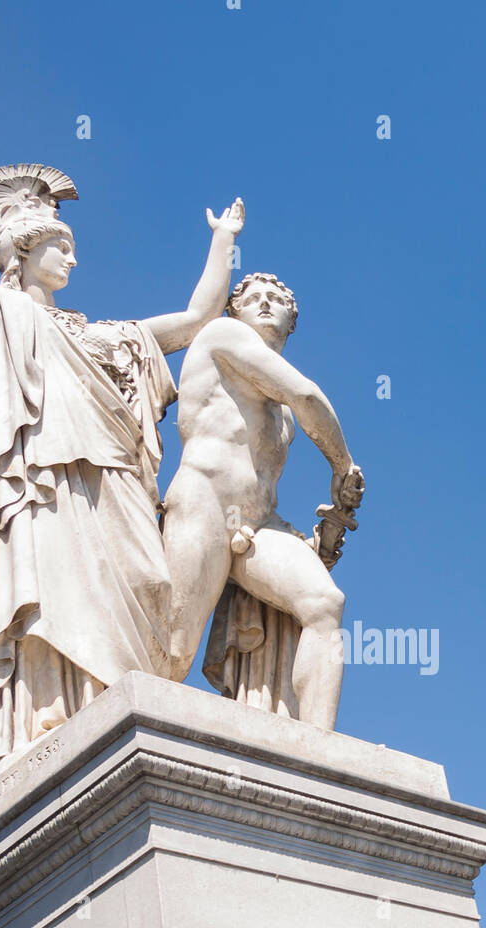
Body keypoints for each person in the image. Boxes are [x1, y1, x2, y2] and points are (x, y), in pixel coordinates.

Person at [0, 164, 244, 787]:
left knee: (146, 582)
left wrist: (224, 240)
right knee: (46, 590)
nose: (73, 262)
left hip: (115, 477)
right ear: (24, 253)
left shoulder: (106, 335)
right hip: (37, 478)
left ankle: (120, 711)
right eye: (62, 248)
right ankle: (47, 717)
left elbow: (197, 320)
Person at [161, 273, 365, 729]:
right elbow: (307, 393)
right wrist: (342, 464)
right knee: (173, 655)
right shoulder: (223, 335)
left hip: (258, 524)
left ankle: (319, 755)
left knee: (324, 604)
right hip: (204, 504)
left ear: (293, 321)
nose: (266, 304)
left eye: (277, 299)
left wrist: (319, 537)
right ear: (235, 312)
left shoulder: (285, 417)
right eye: (254, 298)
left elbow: (263, 474)